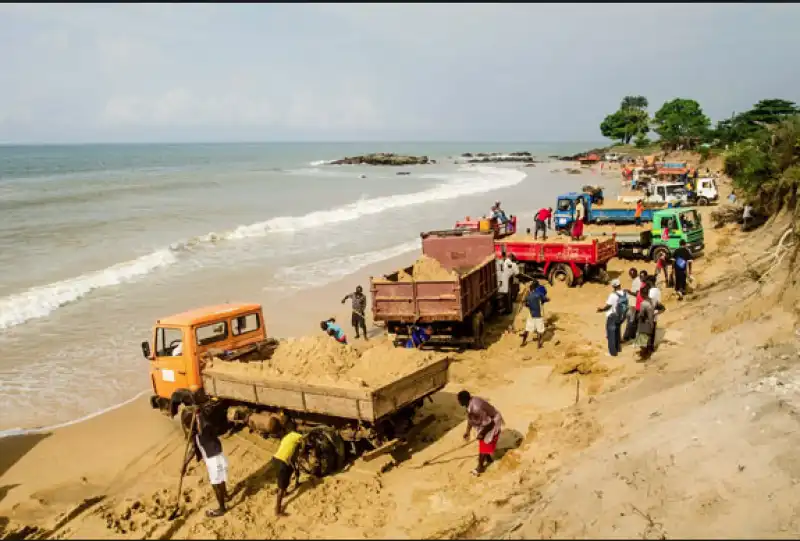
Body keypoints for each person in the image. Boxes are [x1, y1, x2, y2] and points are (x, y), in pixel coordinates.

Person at [182, 400, 229, 518]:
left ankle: (222, 508)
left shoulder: (203, 430)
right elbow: (194, 448)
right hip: (220, 456)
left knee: (216, 484)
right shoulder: (204, 426)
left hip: (213, 460)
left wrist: (184, 465)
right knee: (221, 479)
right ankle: (226, 496)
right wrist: (185, 464)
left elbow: (194, 448)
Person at [457, 390, 504, 477]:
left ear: (464, 400)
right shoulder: (470, 404)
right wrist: (468, 431)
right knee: (483, 443)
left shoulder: (476, 408)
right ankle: (488, 458)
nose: (458, 402)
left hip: (493, 420)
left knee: (484, 444)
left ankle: (480, 467)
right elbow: (470, 418)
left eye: (459, 400)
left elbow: (490, 423)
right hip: (485, 422)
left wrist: (482, 433)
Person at [272, 423, 305, 518]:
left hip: (275, 459)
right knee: (282, 487)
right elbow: (303, 443)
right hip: (283, 462)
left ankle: (284, 490)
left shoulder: (287, 437)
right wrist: (303, 451)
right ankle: (277, 510)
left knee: (288, 472)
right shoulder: (298, 436)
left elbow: (292, 459)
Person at [596, 279, 626, 357]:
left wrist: (601, 310)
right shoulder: (624, 293)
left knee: (611, 334)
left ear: (613, 286)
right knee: (617, 332)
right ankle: (618, 348)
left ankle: (612, 353)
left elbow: (608, 306)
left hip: (613, 316)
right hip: (621, 316)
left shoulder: (613, 295)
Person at [521, 280, 548, 348]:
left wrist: (528, 305)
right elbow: (545, 299)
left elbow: (524, 302)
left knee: (527, 329)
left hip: (531, 314)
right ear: (537, 286)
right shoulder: (539, 294)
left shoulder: (529, 295)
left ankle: (523, 342)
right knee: (539, 330)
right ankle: (539, 344)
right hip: (539, 314)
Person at [635, 284, 656, 360]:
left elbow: (641, 314)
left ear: (643, 294)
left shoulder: (643, 304)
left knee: (642, 341)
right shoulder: (653, 300)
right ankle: (648, 354)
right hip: (651, 321)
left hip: (644, 323)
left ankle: (644, 356)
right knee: (649, 339)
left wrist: (638, 316)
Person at [622, 268, 641, 342]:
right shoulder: (635, 280)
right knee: (632, 320)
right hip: (633, 303)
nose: (631, 276)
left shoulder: (638, 281)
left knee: (630, 320)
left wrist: (629, 292)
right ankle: (632, 336)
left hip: (634, 304)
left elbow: (637, 293)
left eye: (631, 274)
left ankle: (626, 337)